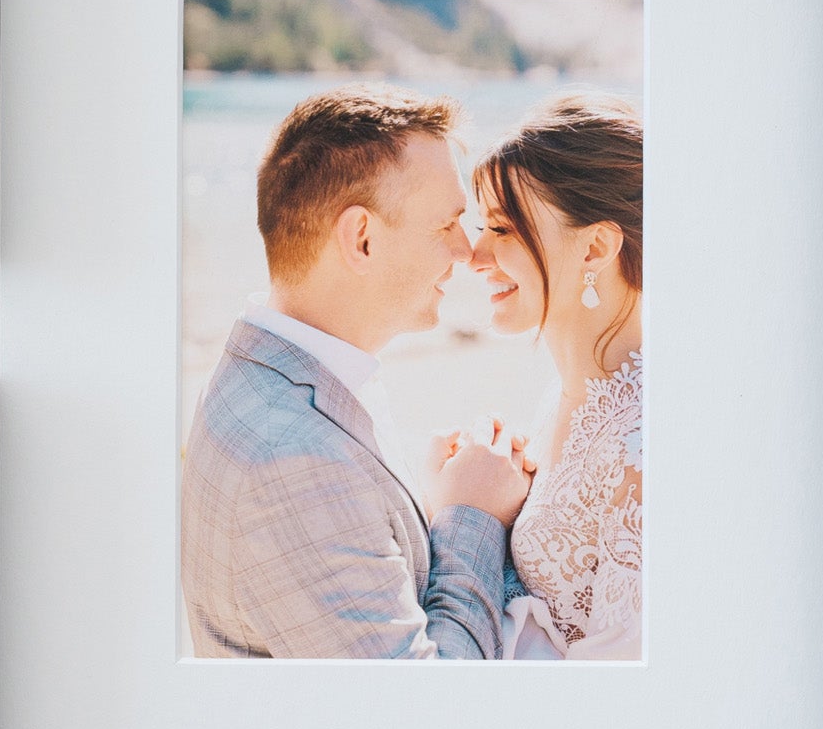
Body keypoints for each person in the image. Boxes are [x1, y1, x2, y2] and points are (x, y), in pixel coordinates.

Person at [180, 88, 529, 659]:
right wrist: (472, 516)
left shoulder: (284, 370)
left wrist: (427, 502)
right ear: (361, 239)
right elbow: (425, 706)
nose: (467, 251)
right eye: (447, 224)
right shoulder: (293, 458)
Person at [467, 93, 644, 661]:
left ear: (595, 247)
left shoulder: (644, 440)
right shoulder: (572, 391)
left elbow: (621, 683)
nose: (474, 256)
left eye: (502, 229)